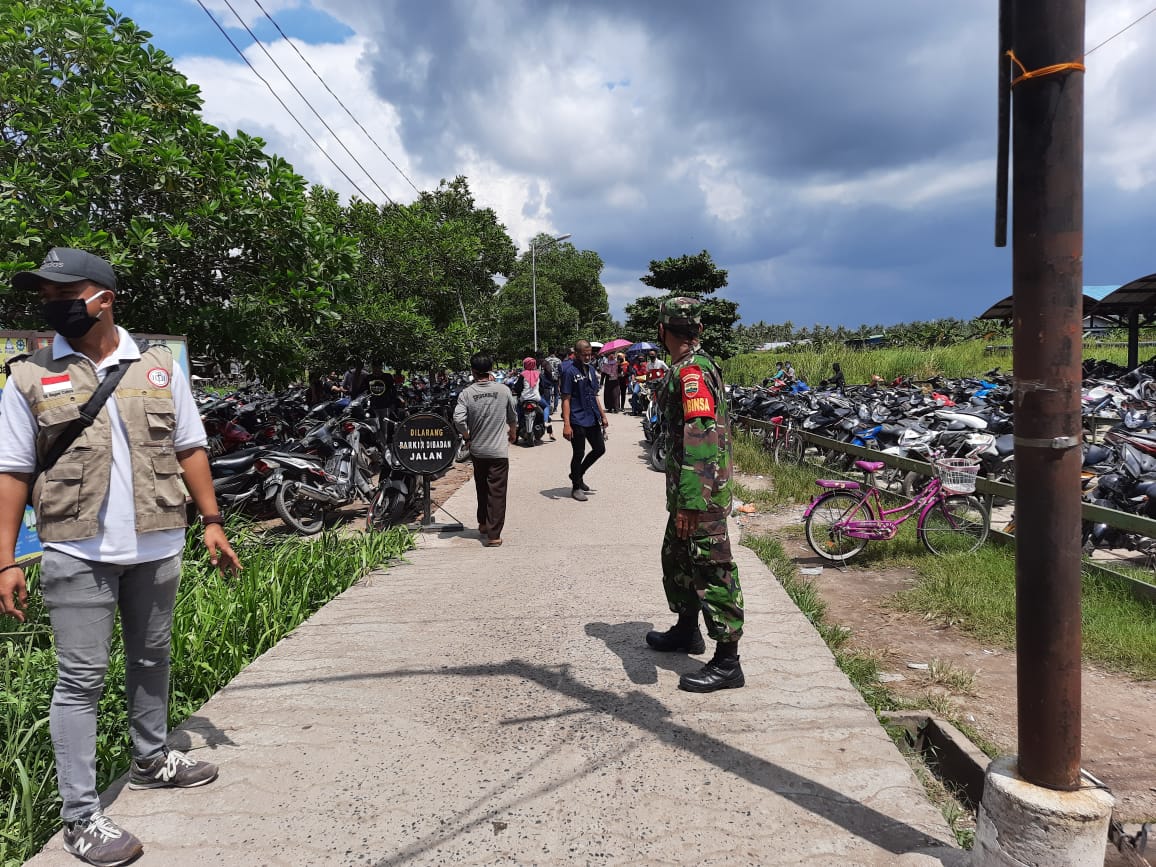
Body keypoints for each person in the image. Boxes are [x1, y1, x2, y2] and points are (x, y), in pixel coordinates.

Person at [0, 248, 241, 866]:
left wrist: (212, 521)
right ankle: (80, 816)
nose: (54, 305)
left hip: (158, 543)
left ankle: (151, 758)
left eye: (65, 293)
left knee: (151, 655)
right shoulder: (28, 375)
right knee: (80, 680)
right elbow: (12, 471)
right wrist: (5, 558)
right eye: (47, 296)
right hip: (75, 550)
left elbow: (190, 447)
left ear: (104, 298)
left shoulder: (158, 367)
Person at [644, 297, 745, 693]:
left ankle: (728, 662)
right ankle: (687, 631)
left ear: (663, 331)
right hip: (691, 491)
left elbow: (699, 436)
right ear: (697, 330)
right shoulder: (690, 368)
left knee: (711, 569)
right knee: (678, 559)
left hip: (700, 494)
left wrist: (690, 500)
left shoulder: (692, 374)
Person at [453, 353, 516, 547]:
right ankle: (493, 534)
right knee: (496, 492)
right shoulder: (503, 390)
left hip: (478, 450)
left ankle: (482, 523)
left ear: (473, 371)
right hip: (498, 452)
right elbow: (512, 416)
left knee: (481, 487)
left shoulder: (467, 393)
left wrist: (467, 436)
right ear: (491, 370)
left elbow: (458, 419)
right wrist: (513, 432)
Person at [560, 339, 609, 502]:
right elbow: (566, 398)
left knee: (600, 449)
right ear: (577, 354)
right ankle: (576, 487)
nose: (588, 357)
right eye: (584, 355)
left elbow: (594, 395)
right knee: (578, 452)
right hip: (576, 417)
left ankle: (577, 474)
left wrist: (602, 415)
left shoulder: (591, 369)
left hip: (591, 415)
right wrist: (566, 424)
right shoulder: (569, 371)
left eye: (590, 354)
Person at [511, 356, 552, 440]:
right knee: (547, 406)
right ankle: (545, 421)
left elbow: (518, 387)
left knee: (517, 407)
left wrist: (515, 390)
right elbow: (543, 386)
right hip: (537, 398)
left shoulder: (522, 374)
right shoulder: (538, 374)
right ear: (534, 364)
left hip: (524, 398)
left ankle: (518, 422)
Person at [542, 349, 562, 413]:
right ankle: (555, 408)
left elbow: (543, 370)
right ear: (555, 352)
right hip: (556, 378)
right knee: (556, 394)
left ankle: (549, 407)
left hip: (548, 378)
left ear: (548, 352)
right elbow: (560, 370)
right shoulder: (558, 360)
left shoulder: (546, 360)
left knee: (548, 393)